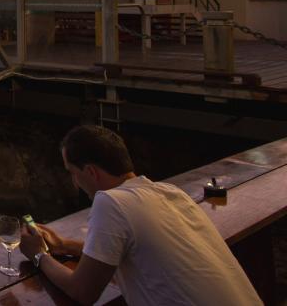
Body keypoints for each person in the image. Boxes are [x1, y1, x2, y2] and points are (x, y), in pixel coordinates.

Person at [18, 125, 259, 306]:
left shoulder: (111, 202)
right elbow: (133, 247)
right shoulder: (170, 193)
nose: (74, 182)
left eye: (72, 173)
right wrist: (64, 245)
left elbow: (83, 292)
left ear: (90, 171)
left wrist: (38, 255)